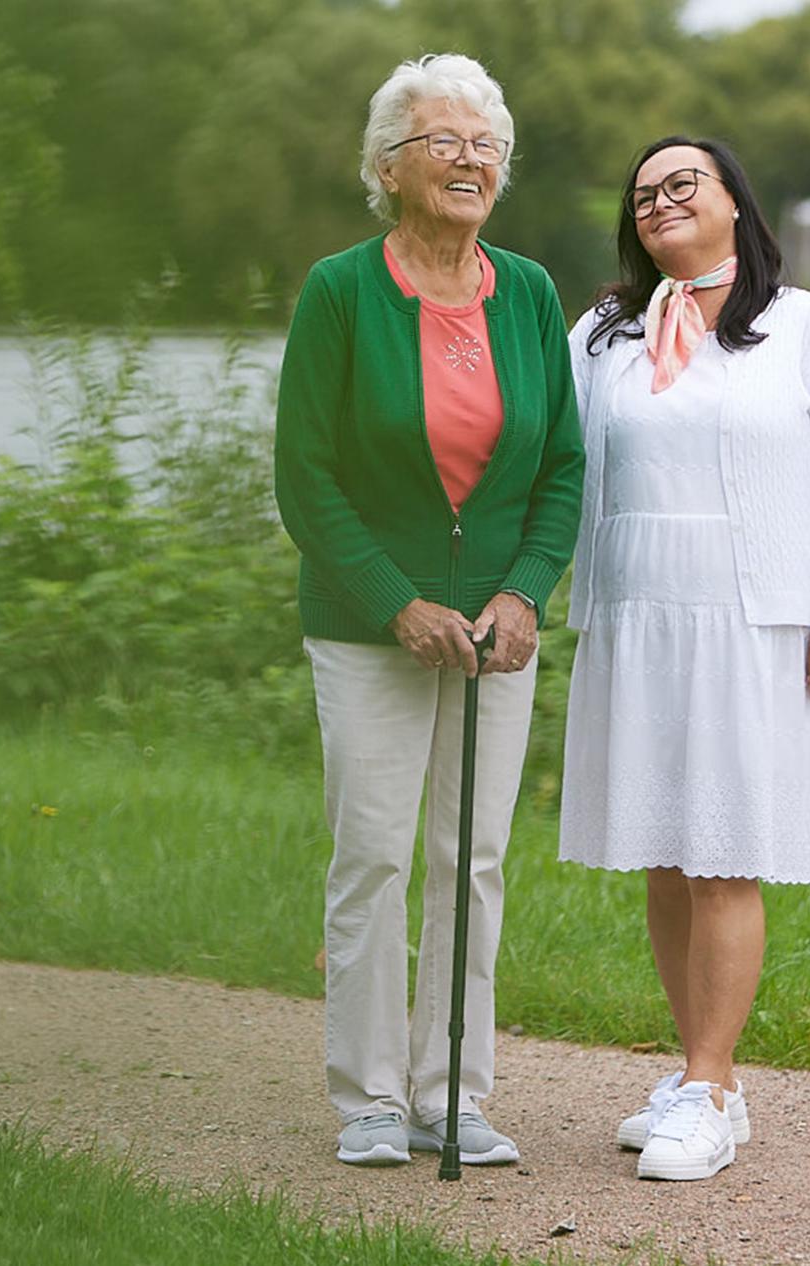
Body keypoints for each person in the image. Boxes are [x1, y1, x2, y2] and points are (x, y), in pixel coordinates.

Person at [273, 53, 584, 1169]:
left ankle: (454, 1093)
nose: (470, 158)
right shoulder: (340, 291)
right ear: (387, 167)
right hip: (369, 628)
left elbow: (561, 469)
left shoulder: (535, 294)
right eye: (444, 141)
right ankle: (368, 1098)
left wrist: (520, 592)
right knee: (372, 855)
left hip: (498, 633)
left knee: (476, 856)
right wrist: (398, 604)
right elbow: (305, 481)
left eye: (486, 143)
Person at [558, 136, 810, 1181]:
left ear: (735, 201)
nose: (659, 203)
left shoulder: (802, 326)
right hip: (639, 613)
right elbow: (553, 458)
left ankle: (704, 1084)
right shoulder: (607, 332)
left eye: (681, 184)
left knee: (725, 854)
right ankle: (711, 1083)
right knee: (665, 851)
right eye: (643, 194)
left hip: (754, 620)